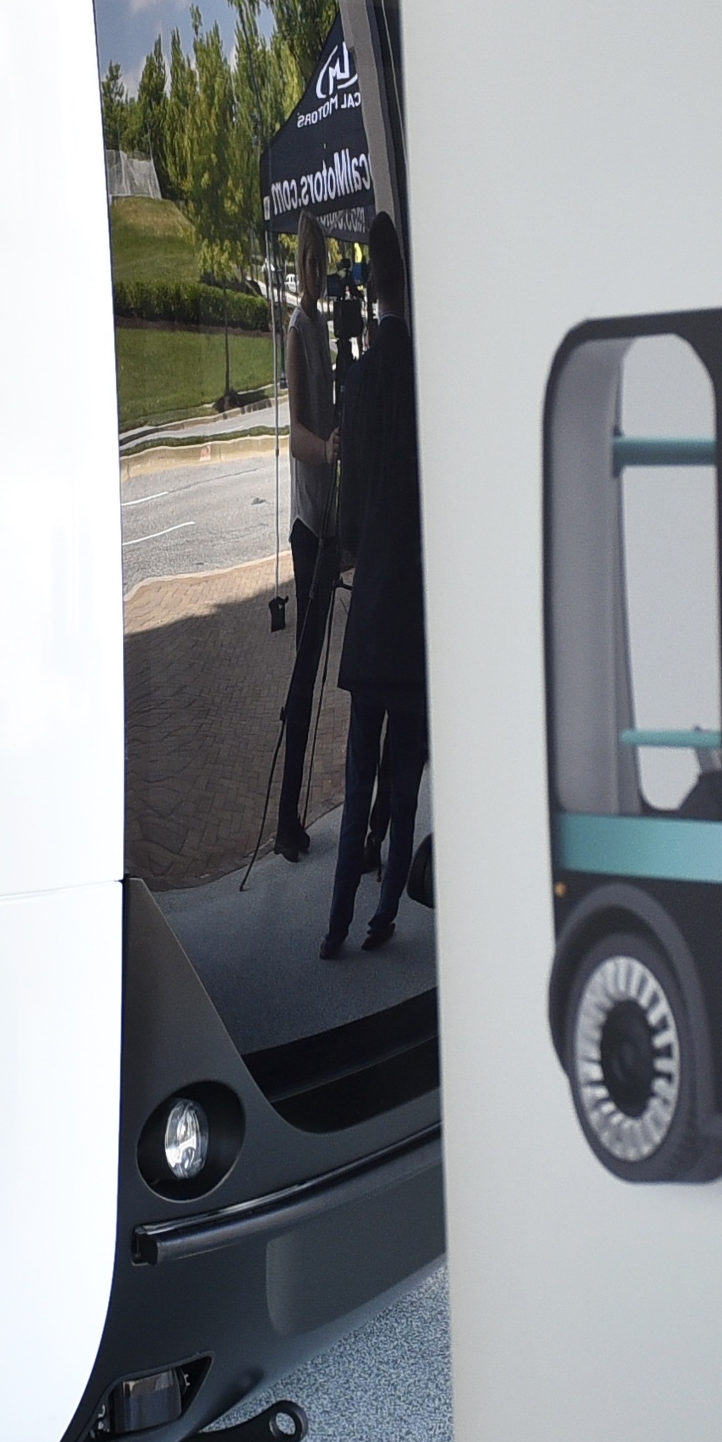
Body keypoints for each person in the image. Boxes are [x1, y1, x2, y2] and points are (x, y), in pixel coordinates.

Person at [320, 218, 426, 960]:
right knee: (403, 778)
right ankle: (385, 912)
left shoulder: (358, 380)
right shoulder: (429, 372)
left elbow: (348, 517)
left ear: (369, 284)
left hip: (374, 612)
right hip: (418, 620)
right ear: (407, 281)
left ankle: (333, 923)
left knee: (359, 776)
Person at [272, 218, 345, 861]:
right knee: (304, 667)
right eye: (311, 262)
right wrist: (328, 446)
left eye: (325, 261)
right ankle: (285, 818)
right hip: (307, 525)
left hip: (330, 517)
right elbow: (294, 432)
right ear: (300, 265)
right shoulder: (298, 331)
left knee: (315, 665)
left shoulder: (323, 328)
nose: (318, 271)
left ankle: (291, 816)